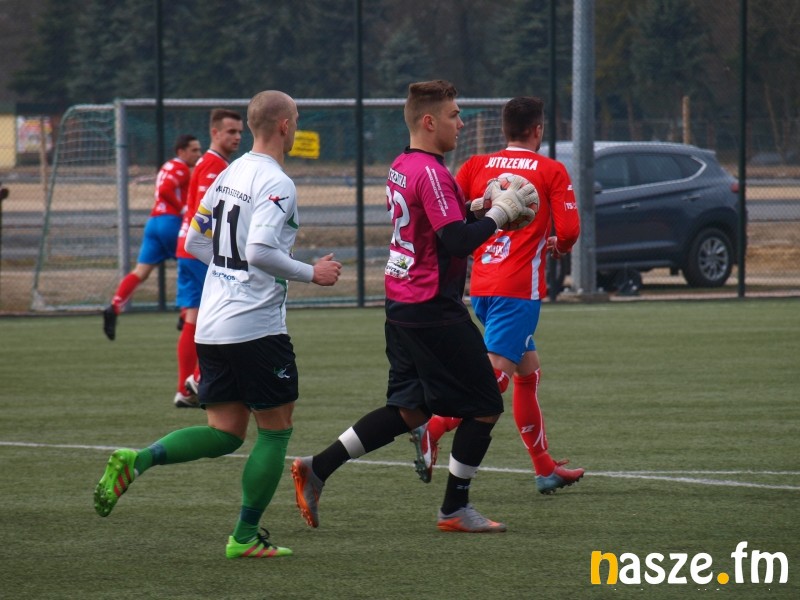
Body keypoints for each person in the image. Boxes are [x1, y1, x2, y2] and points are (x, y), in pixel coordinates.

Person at [93, 90, 342, 559]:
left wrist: (230, 273)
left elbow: (194, 240)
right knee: (275, 429)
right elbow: (260, 251)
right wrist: (313, 273)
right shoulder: (277, 181)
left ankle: (139, 460)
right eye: (295, 119)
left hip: (212, 324)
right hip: (256, 328)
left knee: (225, 431)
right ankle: (243, 537)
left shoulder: (230, 171)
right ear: (285, 126)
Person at [290, 80, 537, 534]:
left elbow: (434, 222)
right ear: (429, 121)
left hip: (401, 303)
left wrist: (480, 206)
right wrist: (498, 216)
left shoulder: (403, 164)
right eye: (454, 115)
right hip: (431, 308)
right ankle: (454, 508)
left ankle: (317, 467)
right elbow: (455, 240)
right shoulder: (432, 172)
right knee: (485, 404)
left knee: (410, 409)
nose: (461, 124)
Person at [410, 96, 584, 495]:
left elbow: (453, 212)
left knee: (528, 372)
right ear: (538, 130)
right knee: (493, 384)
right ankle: (432, 428)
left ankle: (544, 467)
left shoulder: (475, 165)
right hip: (518, 290)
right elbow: (570, 229)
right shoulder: (551, 170)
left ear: (504, 129)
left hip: (482, 287)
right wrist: (560, 245)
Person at [173, 108, 244, 408]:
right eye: (231, 131)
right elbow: (211, 210)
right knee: (226, 312)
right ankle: (199, 378)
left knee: (194, 317)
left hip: (186, 249)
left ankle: (184, 389)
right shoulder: (214, 166)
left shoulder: (209, 163)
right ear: (215, 133)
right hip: (201, 252)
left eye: (240, 132)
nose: (237, 137)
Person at [102, 134, 202, 340]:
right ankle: (186, 313)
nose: (198, 154)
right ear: (181, 151)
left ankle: (115, 306)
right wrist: (182, 208)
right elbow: (165, 190)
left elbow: (162, 189)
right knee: (189, 265)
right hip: (170, 222)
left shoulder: (167, 166)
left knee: (141, 271)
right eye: (194, 150)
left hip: (154, 222)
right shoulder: (182, 169)